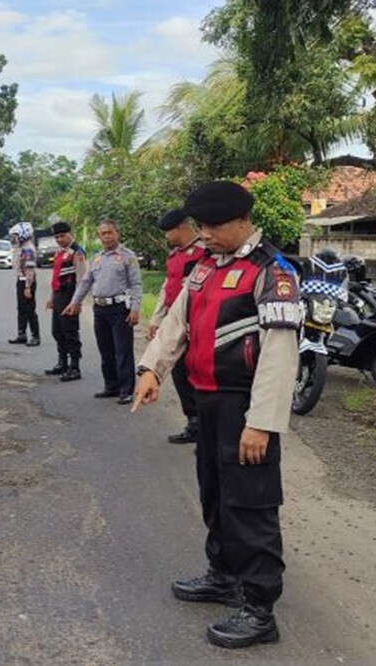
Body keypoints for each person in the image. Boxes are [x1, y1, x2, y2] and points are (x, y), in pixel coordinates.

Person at [133, 181, 301, 650]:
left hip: (244, 407)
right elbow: (177, 324)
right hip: (207, 402)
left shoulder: (273, 272)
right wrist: (151, 368)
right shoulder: (205, 267)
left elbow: (279, 355)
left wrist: (261, 423)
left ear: (240, 221)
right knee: (215, 495)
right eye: (199, 226)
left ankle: (259, 607)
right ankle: (224, 575)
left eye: (209, 226)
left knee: (251, 505)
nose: (200, 233)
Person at [63, 219, 142, 404]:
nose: (106, 237)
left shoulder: (127, 256)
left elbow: (136, 284)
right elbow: (86, 282)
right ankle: (111, 386)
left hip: (120, 309)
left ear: (117, 234)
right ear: (99, 237)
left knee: (122, 351)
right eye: (103, 234)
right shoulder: (97, 257)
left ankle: (126, 390)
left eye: (109, 232)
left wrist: (135, 309)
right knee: (105, 350)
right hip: (100, 309)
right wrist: (75, 302)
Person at [149, 208, 208, 444]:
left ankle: (206, 422)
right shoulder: (175, 255)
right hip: (176, 323)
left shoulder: (204, 253)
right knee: (180, 373)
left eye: (168, 232)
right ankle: (193, 422)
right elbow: (168, 288)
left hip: (198, 322)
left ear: (182, 227)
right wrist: (156, 318)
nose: (166, 237)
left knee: (199, 372)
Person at [44, 221, 86, 381]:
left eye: (62, 236)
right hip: (59, 296)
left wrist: (77, 302)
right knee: (57, 331)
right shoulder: (59, 253)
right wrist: (51, 298)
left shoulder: (77, 252)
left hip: (70, 297)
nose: (60, 239)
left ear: (70, 234)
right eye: (57, 237)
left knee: (70, 332)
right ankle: (62, 362)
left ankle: (75, 367)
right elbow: (56, 278)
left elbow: (82, 280)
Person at [7, 222, 40, 346]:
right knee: (21, 308)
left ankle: (35, 336)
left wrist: (28, 287)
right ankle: (22, 334)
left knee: (30, 309)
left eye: (15, 235)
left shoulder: (28, 249)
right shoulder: (20, 247)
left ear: (23, 234)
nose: (12, 238)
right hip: (21, 281)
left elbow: (30, 270)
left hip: (27, 282)